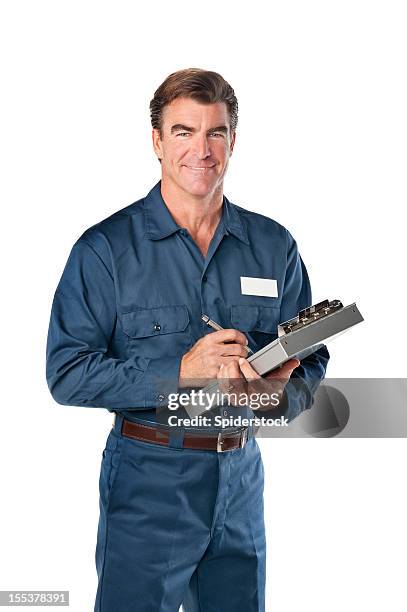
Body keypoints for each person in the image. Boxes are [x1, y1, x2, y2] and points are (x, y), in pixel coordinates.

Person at [46, 68, 329, 612]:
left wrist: (277, 395)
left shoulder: (273, 245)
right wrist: (181, 372)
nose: (201, 150)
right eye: (183, 132)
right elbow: (66, 372)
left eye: (215, 133)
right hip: (148, 481)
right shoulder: (105, 250)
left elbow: (310, 359)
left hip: (240, 480)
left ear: (232, 141)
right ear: (156, 141)